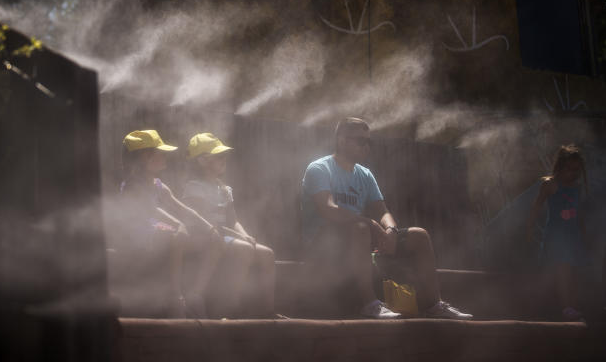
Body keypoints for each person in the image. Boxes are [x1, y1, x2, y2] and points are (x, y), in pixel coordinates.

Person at [300, 116, 473, 319]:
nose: (367, 147)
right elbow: (328, 208)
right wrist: (369, 223)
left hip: (360, 239)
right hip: (323, 245)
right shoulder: (320, 168)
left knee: (419, 236)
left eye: (369, 141)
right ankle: (370, 304)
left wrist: (390, 230)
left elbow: (382, 211)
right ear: (341, 140)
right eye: (360, 141)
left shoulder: (364, 174)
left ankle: (433, 304)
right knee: (361, 228)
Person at [114, 129, 225, 318]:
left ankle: (196, 293)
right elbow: (150, 210)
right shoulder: (133, 184)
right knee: (178, 234)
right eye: (161, 153)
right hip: (137, 232)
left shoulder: (157, 184)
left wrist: (209, 227)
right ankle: (176, 296)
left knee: (215, 241)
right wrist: (177, 224)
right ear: (146, 158)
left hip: (155, 227)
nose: (166, 157)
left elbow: (182, 208)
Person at [182, 132, 278, 317]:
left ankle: (268, 310)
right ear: (202, 161)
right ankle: (228, 304)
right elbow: (200, 221)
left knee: (267, 254)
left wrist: (244, 234)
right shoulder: (194, 187)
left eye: (224, 156)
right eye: (219, 156)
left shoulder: (224, 189)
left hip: (224, 234)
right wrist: (237, 237)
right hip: (206, 236)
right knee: (244, 249)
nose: (224, 159)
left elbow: (232, 220)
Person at [527, 144, 589, 321]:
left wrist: (584, 235)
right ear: (560, 167)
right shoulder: (550, 184)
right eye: (570, 169)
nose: (574, 173)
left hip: (573, 235)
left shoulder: (576, 187)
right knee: (563, 268)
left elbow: (580, 213)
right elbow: (536, 207)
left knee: (572, 269)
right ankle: (566, 306)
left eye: (577, 170)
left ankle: (571, 304)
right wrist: (529, 228)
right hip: (556, 236)